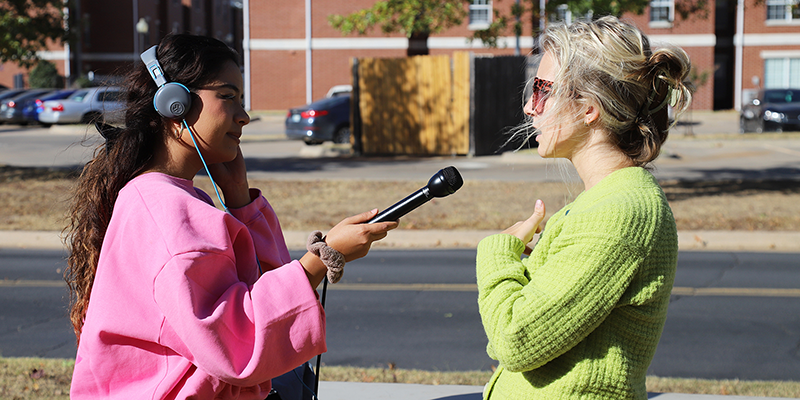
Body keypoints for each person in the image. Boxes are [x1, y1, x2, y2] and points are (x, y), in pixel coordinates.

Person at [63, 33, 397, 399]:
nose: (244, 116)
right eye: (227, 96)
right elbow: (237, 343)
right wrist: (320, 260)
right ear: (175, 104)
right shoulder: (166, 210)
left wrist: (240, 198)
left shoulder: (171, 197)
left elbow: (264, 287)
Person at [475, 16, 692, 399]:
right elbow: (512, 340)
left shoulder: (621, 213)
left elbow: (514, 340)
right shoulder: (604, 202)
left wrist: (497, 255)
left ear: (589, 108)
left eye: (542, 90)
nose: (529, 106)